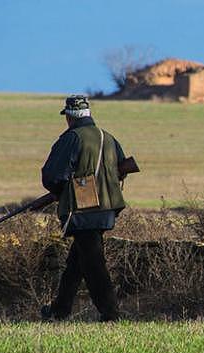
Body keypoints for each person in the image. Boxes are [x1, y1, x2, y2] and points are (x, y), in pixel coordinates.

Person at [40, 95, 126, 322]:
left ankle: (111, 313)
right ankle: (60, 309)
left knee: (93, 263)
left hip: (84, 207)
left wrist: (61, 192)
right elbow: (121, 168)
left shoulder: (71, 138)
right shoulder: (108, 137)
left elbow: (52, 176)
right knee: (77, 261)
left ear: (69, 117)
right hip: (107, 206)